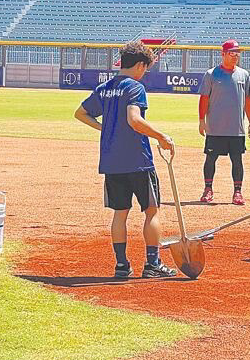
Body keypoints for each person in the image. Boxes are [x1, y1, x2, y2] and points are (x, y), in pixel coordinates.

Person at [75, 40, 178, 279]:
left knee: (120, 213)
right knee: (151, 211)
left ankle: (121, 265)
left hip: (111, 160)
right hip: (137, 159)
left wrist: (105, 128)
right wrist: (162, 136)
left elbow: (80, 113)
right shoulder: (135, 87)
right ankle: (152, 264)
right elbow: (134, 119)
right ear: (141, 65)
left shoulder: (105, 88)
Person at [199, 39, 250, 206]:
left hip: (236, 129)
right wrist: (202, 121)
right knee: (210, 159)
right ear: (223, 54)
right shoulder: (211, 74)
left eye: (237, 53)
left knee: (237, 160)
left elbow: (248, 100)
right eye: (232, 53)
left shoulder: (244, 75)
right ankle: (208, 189)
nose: (235, 56)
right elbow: (204, 99)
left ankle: (237, 192)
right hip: (215, 128)